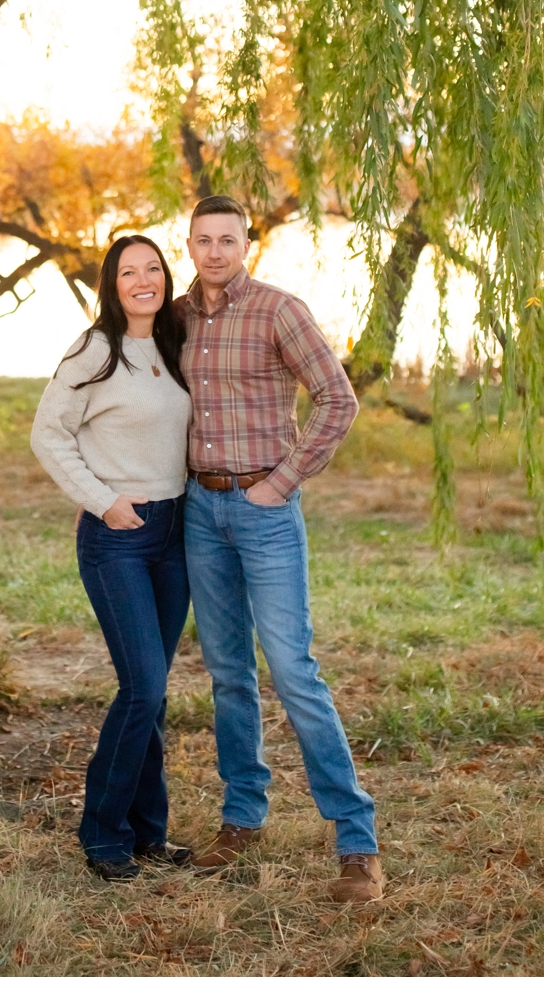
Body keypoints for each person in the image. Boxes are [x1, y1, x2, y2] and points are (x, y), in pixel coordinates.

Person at [174, 193, 383, 903]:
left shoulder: (278, 310)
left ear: (247, 244)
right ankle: (242, 816)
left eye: (227, 239)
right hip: (200, 509)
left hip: (264, 509)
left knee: (293, 669)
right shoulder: (176, 318)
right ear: (191, 244)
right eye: (203, 239)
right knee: (228, 671)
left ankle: (356, 839)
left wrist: (282, 480)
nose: (214, 251)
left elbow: (337, 398)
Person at [31, 234, 195, 881]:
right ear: (112, 281)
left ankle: (149, 832)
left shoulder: (175, 344)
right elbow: (49, 433)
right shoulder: (93, 348)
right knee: (143, 686)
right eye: (129, 271)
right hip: (118, 536)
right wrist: (102, 500)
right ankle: (103, 832)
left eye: (152, 268)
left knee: (152, 696)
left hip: (175, 531)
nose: (143, 279)